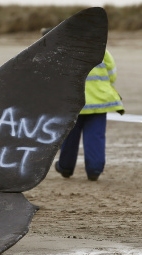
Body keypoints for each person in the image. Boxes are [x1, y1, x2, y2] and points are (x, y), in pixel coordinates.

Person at [54, 49, 124, 181]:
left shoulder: (67, 49)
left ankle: (66, 167)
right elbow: (112, 73)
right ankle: (94, 170)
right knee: (95, 137)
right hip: (98, 101)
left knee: (69, 136)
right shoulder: (103, 50)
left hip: (73, 102)